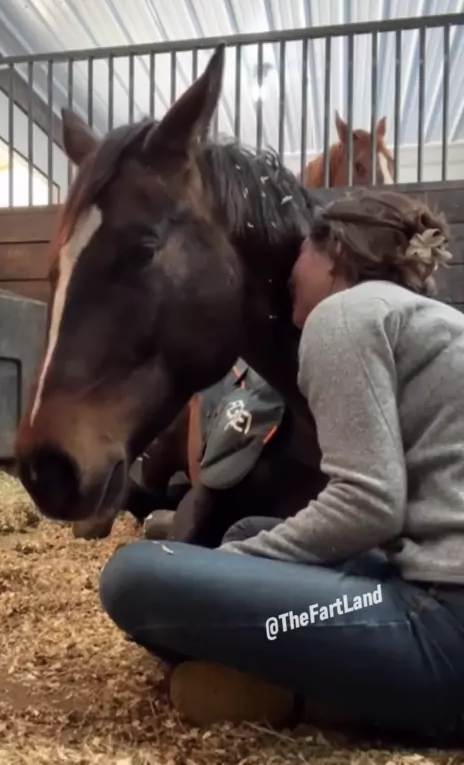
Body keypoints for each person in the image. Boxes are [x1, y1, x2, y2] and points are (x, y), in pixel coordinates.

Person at [99, 189, 464, 744]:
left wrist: (226, 566)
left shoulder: (344, 314)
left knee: (133, 576)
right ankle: (310, 683)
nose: (289, 272)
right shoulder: (431, 319)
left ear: (333, 253)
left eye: (300, 252)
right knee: (249, 530)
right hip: (430, 590)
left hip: (442, 629)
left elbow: (369, 505)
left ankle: (310, 698)